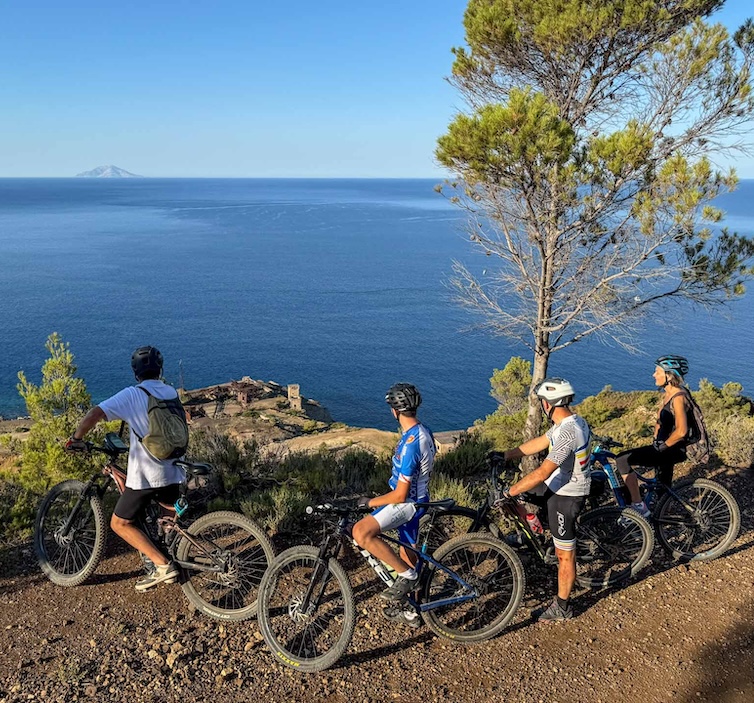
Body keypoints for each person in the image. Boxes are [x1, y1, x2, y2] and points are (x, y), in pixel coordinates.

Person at [66, 346, 186, 591]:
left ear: (136, 372)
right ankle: (170, 556)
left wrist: (76, 438)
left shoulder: (134, 394)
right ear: (160, 369)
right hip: (175, 470)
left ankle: (163, 566)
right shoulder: (170, 392)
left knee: (119, 523)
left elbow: (95, 413)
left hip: (148, 475)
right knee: (166, 524)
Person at [502, 377, 591, 622]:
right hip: (557, 487)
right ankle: (533, 531)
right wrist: (506, 455)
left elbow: (543, 471)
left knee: (565, 555)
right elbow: (540, 442)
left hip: (568, 495)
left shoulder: (569, 432)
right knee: (527, 497)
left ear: (548, 404)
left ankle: (562, 607)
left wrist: (510, 491)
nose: (541, 404)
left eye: (542, 400)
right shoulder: (565, 423)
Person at [352, 383, 435, 627]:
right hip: (418, 500)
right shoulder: (422, 431)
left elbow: (400, 495)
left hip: (408, 504)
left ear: (394, 412)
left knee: (361, 531)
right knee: (406, 553)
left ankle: (408, 576)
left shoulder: (411, 444)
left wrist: (370, 502)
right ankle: (411, 611)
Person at [615, 355, 692, 517]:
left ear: (669, 375)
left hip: (669, 449)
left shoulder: (678, 397)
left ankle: (638, 506)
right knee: (663, 487)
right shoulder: (670, 393)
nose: (653, 375)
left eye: (658, 371)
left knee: (622, 459)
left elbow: (682, 431)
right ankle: (664, 519)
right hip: (666, 447)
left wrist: (661, 447)